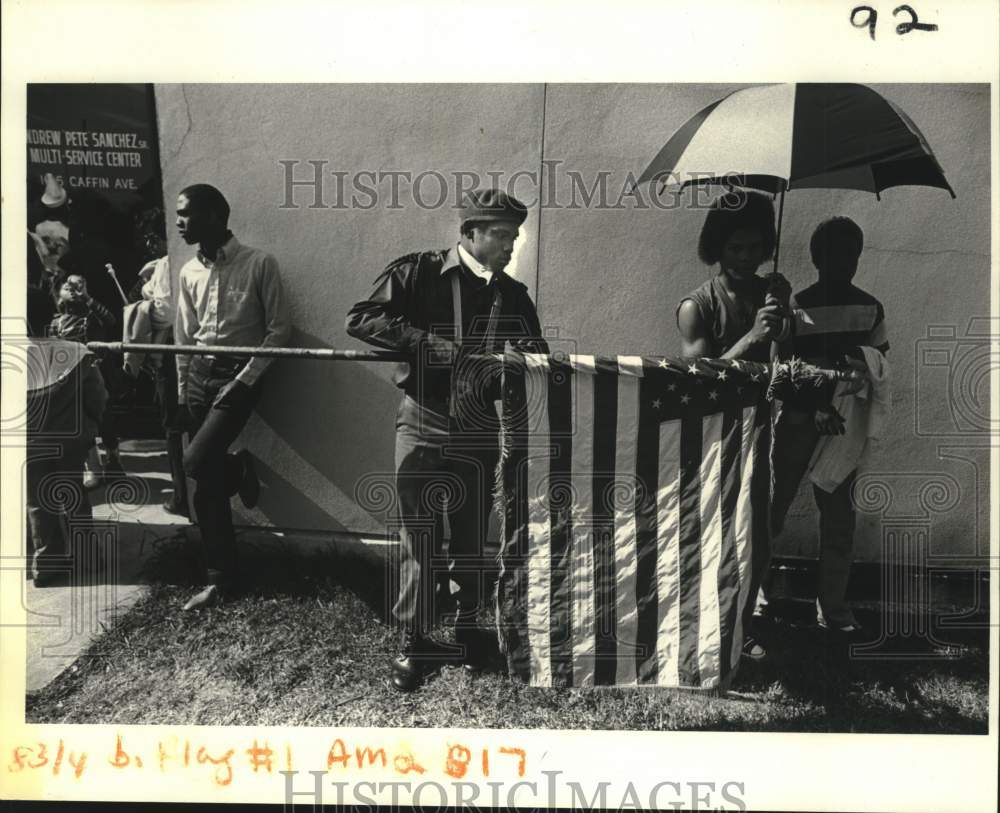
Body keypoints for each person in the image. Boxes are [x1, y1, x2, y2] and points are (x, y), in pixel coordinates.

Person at [346, 188, 548, 692]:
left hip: (479, 428)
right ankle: (415, 644)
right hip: (423, 420)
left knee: (470, 537)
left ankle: (466, 630)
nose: (510, 245)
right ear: (470, 233)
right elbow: (363, 318)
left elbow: (536, 361)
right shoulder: (418, 273)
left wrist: (511, 373)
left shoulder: (514, 296)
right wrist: (432, 346)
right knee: (419, 536)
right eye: (501, 235)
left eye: (515, 236)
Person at [676, 190, 791, 660]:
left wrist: (784, 318)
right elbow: (697, 379)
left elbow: (789, 361)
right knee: (711, 530)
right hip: (712, 434)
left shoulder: (773, 295)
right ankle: (699, 627)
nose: (746, 258)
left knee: (759, 529)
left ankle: (741, 624)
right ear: (716, 248)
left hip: (764, 429)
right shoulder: (695, 305)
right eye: (734, 248)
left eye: (755, 248)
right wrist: (752, 337)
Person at [770, 216, 889, 636]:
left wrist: (850, 367)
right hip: (802, 419)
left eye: (851, 254)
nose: (844, 263)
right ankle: (758, 597)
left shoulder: (870, 307)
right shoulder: (798, 305)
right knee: (773, 506)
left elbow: (880, 363)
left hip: (845, 426)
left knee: (839, 517)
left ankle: (833, 609)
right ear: (817, 258)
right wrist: (816, 403)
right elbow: (783, 367)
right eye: (834, 255)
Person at [174, 184, 291, 611]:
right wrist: (184, 386)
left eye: (185, 213)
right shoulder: (188, 272)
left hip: (240, 378)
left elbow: (280, 331)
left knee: (194, 462)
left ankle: (241, 465)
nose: (178, 222)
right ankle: (220, 579)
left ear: (213, 216)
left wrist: (243, 380)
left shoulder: (259, 264)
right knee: (206, 487)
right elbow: (184, 339)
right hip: (200, 377)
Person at [26, 338, 108, 586]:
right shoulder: (77, 352)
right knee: (74, 496)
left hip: (28, 439)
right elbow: (97, 396)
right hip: (70, 437)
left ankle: (46, 566)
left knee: (37, 501)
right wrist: (92, 422)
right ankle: (89, 559)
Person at [125, 210, 187, 516]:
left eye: (151, 237)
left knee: (172, 424)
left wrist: (145, 294)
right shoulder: (189, 259)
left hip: (171, 354)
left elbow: (164, 311)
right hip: (191, 351)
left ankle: (181, 494)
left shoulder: (166, 264)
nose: (149, 243)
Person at [47, 274, 122, 487]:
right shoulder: (55, 322)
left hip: (97, 374)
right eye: (66, 286)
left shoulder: (91, 315)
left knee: (105, 419)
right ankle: (93, 469)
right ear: (57, 294)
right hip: (70, 377)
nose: (72, 288)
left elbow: (111, 320)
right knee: (81, 421)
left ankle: (114, 460)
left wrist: (87, 298)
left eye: (77, 285)